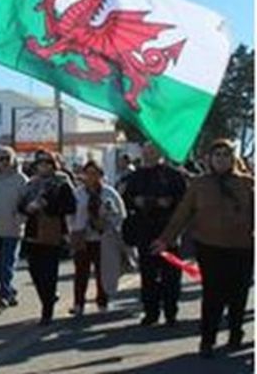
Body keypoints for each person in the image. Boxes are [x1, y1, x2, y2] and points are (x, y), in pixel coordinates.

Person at [154, 139, 254, 358]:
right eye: (217, 154)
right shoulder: (199, 184)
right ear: (209, 159)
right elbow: (182, 214)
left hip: (242, 247)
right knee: (212, 295)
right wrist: (166, 239)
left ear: (232, 158)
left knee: (238, 294)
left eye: (226, 155)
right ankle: (207, 340)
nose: (221, 159)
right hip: (210, 247)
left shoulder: (247, 183)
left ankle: (235, 333)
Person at [121, 141, 187, 326]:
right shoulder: (134, 177)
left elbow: (184, 202)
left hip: (168, 232)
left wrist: (166, 203)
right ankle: (151, 312)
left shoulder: (173, 176)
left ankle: (171, 312)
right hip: (144, 231)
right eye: (146, 150)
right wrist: (137, 202)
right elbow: (126, 200)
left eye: (153, 151)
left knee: (171, 275)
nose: (149, 154)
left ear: (160, 153)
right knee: (148, 275)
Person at [17, 150, 76, 325]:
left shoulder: (62, 183)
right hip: (33, 231)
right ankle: (48, 298)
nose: (44, 167)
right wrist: (28, 208)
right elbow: (21, 205)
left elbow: (70, 206)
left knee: (49, 272)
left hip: (53, 232)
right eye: (41, 164)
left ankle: (47, 311)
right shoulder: (31, 184)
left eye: (47, 164)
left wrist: (47, 206)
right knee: (35, 271)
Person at [68, 160, 126, 316]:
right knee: (81, 272)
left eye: (95, 173)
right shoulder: (78, 193)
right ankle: (79, 303)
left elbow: (120, 214)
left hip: (104, 238)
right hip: (82, 237)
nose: (91, 177)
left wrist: (108, 223)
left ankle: (103, 302)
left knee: (103, 272)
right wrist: (74, 229)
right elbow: (70, 214)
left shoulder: (109, 193)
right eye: (88, 173)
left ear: (101, 175)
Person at [0, 146, 27, 309]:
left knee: (8, 261)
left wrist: (20, 219)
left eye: (7, 158)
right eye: (0, 158)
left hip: (13, 228)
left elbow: (26, 203)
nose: (4, 162)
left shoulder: (21, 179)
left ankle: (3, 294)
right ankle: (9, 290)